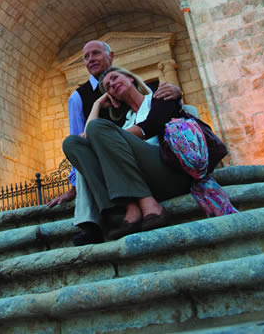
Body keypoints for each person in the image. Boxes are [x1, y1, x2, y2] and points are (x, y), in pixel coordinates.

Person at [48, 40, 181, 243]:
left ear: (130, 77)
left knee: (97, 134)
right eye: (108, 86)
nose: (91, 59)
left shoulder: (157, 96)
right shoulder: (121, 116)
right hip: (125, 166)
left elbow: (152, 126)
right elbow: (82, 135)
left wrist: (177, 93)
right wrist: (97, 104)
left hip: (162, 165)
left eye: (96, 53)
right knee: (73, 143)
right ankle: (125, 209)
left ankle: (144, 204)